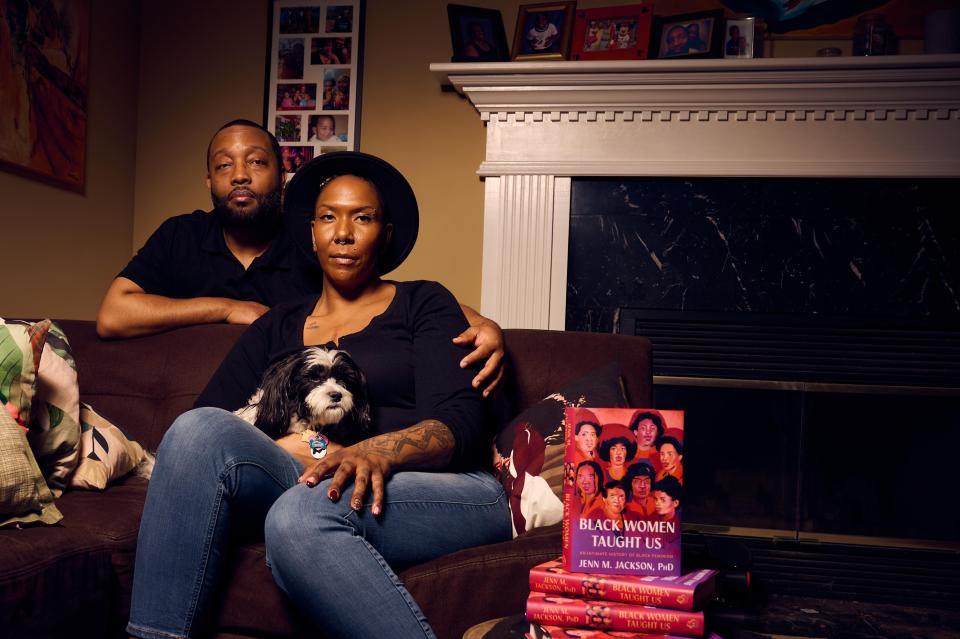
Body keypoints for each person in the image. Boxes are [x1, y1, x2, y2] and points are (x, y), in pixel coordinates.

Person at [125, 151, 512, 639]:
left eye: (363, 218)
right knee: (195, 430)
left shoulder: (424, 302)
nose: (343, 233)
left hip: (439, 486)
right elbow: (208, 425)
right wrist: (310, 448)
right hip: (307, 470)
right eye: (328, 217)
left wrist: (369, 450)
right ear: (311, 233)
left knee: (299, 514)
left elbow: (461, 423)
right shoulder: (277, 324)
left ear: (385, 234)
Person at [96, 119, 505, 395]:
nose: (240, 174)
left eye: (256, 162)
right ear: (209, 180)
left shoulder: (311, 241)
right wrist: (227, 309)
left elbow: (395, 299)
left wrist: (484, 324)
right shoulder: (180, 235)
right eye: (224, 166)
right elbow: (114, 315)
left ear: (282, 176)